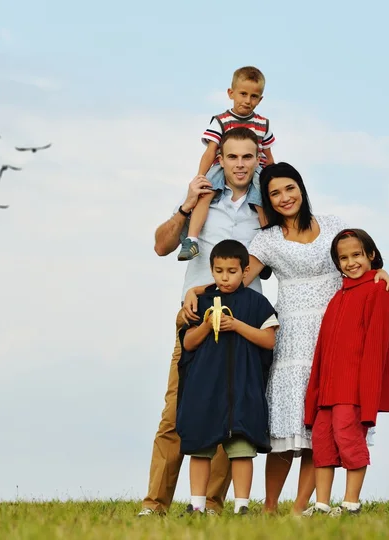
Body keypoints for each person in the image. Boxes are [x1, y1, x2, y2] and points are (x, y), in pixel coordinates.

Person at [181, 162, 389, 515]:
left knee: (319, 427)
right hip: (292, 334)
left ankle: (299, 509)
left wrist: (380, 270)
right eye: (274, 193)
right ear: (267, 199)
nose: (284, 198)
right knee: (285, 428)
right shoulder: (266, 239)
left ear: (301, 188)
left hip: (333, 330)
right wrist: (198, 289)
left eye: (289, 188)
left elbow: (360, 254)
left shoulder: (333, 224)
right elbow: (235, 275)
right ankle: (268, 508)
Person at [138, 127, 268, 517]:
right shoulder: (201, 198)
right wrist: (184, 207)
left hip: (243, 320)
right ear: (220, 160)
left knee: (233, 417)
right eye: (232, 157)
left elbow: (259, 265)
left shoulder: (265, 211)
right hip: (195, 319)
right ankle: (155, 503)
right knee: (176, 412)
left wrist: (211, 286)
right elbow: (161, 246)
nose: (240, 164)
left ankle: (211, 504)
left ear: (257, 159)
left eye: (248, 157)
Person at [176, 240, 279, 515]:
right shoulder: (201, 302)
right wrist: (208, 325)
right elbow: (188, 343)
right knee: (200, 447)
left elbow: (269, 340)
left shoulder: (257, 302)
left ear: (245, 271)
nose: (225, 277)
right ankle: (197, 505)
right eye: (219, 270)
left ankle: (241, 506)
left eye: (232, 271)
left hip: (242, 387)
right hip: (205, 387)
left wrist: (236, 325)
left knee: (242, 448)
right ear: (211, 270)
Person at [302, 229, 389, 517]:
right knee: (322, 442)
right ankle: (321, 505)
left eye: (357, 255)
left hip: (353, 390)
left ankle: (351, 504)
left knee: (349, 439)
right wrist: (315, 393)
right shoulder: (338, 297)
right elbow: (322, 350)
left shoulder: (378, 292)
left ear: (371, 255)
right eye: (343, 258)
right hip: (328, 390)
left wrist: (367, 398)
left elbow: (377, 348)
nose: (351, 262)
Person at [177, 66, 276, 262]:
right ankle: (192, 240)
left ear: (260, 99)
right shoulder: (221, 121)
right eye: (243, 94)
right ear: (231, 93)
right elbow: (211, 151)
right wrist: (201, 177)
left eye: (254, 96)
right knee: (205, 195)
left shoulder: (263, 124)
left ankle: (268, 248)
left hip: (253, 170)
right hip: (222, 167)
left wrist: (272, 178)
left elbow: (268, 155)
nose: (248, 101)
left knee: (261, 202)